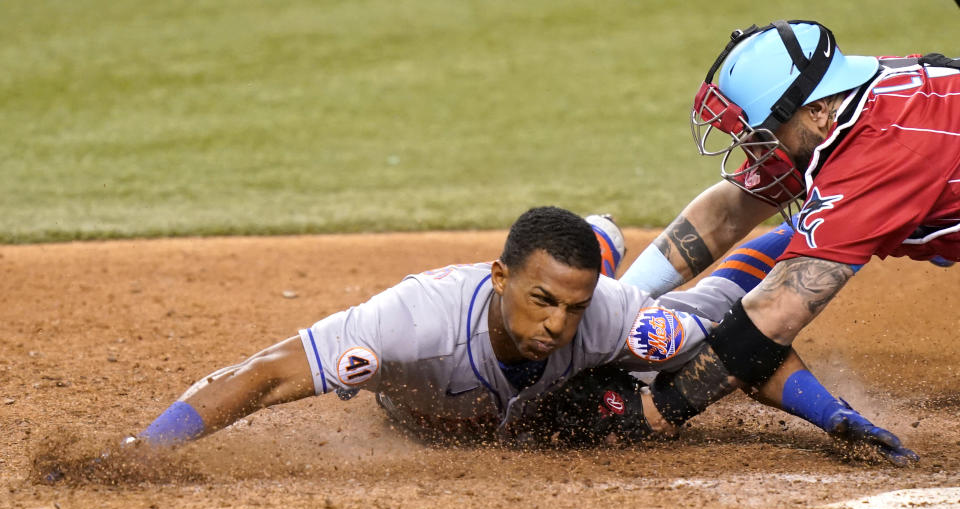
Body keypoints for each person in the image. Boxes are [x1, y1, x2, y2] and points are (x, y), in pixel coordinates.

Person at [88, 205, 902, 463]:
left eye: (571, 308)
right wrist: (139, 452)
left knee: (711, 314)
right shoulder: (410, 321)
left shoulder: (602, 318)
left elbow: (742, 359)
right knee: (619, 317)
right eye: (541, 300)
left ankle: (797, 220)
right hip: (447, 410)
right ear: (500, 276)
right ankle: (601, 237)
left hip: (595, 345)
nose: (555, 326)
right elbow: (266, 374)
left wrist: (831, 415)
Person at [620, 19, 956, 462]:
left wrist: (661, 410)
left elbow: (776, 315)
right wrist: (621, 301)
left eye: (761, 135)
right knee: (803, 240)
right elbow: (727, 213)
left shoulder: (880, 147)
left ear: (816, 110)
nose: (753, 150)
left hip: (908, 157)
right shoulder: (841, 105)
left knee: (788, 290)